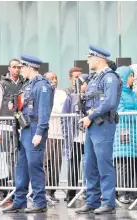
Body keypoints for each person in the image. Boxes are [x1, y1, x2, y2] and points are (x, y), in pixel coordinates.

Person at [2, 55, 54, 213]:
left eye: (22, 67)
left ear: (30, 67)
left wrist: (39, 132)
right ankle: (19, 200)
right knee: (22, 166)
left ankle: (39, 201)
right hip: (25, 129)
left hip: (34, 128)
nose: (20, 70)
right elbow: (23, 105)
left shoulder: (42, 85)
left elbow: (44, 111)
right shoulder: (28, 85)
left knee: (34, 165)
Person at [75, 45, 122, 214]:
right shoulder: (95, 78)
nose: (88, 60)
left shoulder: (109, 77)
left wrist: (90, 116)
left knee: (104, 164)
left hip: (103, 125)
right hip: (93, 125)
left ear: (98, 59)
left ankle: (108, 201)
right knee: (90, 165)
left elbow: (109, 102)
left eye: (90, 57)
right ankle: (92, 200)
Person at [113, 66, 137, 204]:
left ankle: (129, 192)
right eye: (130, 76)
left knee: (132, 162)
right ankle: (122, 192)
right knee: (123, 163)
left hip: (136, 132)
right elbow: (121, 112)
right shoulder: (118, 94)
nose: (132, 78)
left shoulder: (133, 94)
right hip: (124, 132)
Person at [0, 58, 24, 202]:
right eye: (14, 67)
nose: (17, 69)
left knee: (17, 160)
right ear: (9, 68)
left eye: (19, 67)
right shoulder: (2, 85)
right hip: (5, 127)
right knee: (4, 159)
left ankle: (17, 189)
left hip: (20, 128)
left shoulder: (24, 82)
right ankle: (2, 190)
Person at [61, 73, 89, 204]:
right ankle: (71, 193)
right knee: (73, 165)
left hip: (89, 137)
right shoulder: (71, 98)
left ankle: (90, 192)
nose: (84, 86)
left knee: (89, 165)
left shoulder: (92, 97)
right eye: (82, 83)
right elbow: (64, 117)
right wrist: (66, 133)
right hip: (76, 138)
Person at [43, 71, 66, 202]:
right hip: (47, 133)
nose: (54, 80)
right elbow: (47, 110)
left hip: (59, 134)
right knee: (46, 163)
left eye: (55, 78)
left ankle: (52, 191)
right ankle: (45, 190)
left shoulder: (62, 94)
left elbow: (62, 110)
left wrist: (54, 111)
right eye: (51, 78)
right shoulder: (43, 93)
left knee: (57, 164)